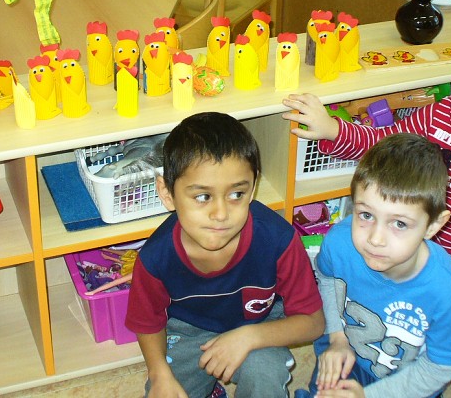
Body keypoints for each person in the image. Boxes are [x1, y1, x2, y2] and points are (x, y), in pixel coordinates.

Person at [283, 16, 451, 391]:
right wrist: (332, 129)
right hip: (419, 251)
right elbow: (384, 145)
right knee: (371, 323)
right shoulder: (442, 115)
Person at [126, 112, 325, 398]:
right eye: (202, 197)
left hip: (260, 325)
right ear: (167, 193)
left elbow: (313, 322)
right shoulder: (155, 257)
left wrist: (249, 337)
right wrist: (159, 374)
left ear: (252, 189)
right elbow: (148, 322)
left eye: (236, 194)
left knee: (264, 373)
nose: (221, 214)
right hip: (188, 330)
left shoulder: (278, 239)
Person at [306, 133, 451, 398]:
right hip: (348, 353)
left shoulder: (444, 290)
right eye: (366, 215)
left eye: (400, 223)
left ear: (433, 226)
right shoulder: (339, 243)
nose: (376, 239)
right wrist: (337, 338)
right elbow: (326, 280)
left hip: (407, 383)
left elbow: (441, 367)